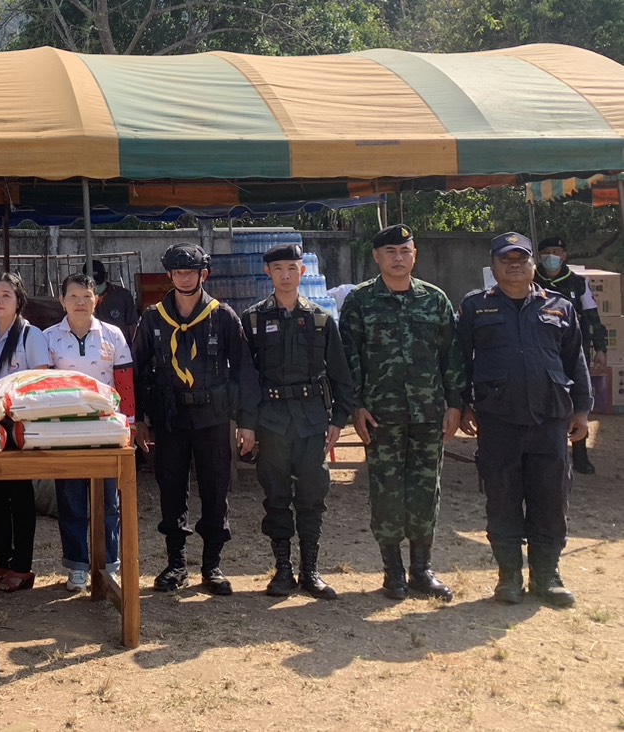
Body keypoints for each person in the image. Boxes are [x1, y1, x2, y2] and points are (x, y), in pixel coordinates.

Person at [458, 233, 593, 607]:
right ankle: (509, 577)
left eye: (522, 259)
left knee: (550, 499)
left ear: (533, 264)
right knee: (502, 499)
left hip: (550, 419)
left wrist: (582, 409)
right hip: (498, 420)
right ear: (494, 265)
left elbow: (575, 360)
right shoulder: (475, 307)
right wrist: (462, 404)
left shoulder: (560, 306)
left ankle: (546, 575)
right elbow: (459, 360)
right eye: (507, 260)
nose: (515, 265)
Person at [339, 223, 465, 602]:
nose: (398, 258)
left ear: (415, 255)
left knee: (426, 491)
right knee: (387, 492)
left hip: (429, 413)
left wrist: (455, 404)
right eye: (390, 251)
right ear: (376, 257)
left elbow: (452, 356)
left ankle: (422, 569)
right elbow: (348, 358)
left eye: (405, 251)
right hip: (381, 416)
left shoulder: (435, 300)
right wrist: (356, 406)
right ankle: (392, 571)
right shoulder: (361, 301)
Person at [130, 242, 251, 596]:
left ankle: (212, 565)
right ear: (169, 275)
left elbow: (244, 371)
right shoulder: (153, 318)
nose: (185, 278)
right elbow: (135, 370)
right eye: (179, 272)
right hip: (170, 418)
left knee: (215, 488)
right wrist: (139, 419)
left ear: (204, 275)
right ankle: (176, 564)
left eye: (192, 272)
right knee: (171, 489)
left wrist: (246, 422)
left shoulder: (223, 316)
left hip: (213, 416)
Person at [238, 243, 357, 600]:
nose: (286, 275)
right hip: (272, 421)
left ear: (303, 272)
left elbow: (341, 375)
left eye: (292, 268)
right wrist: (247, 423)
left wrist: (338, 420)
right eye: (278, 269)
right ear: (268, 273)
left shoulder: (321, 320)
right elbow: (245, 378)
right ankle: (283, 570)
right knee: (276, 496)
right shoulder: (253, 320)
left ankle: (310, 570)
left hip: (312, 421)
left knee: (312, 495)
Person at [44, 271, 133, 593]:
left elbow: (124, 381)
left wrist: (130, 423)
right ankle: (77, 566)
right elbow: (43, 386)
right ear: (62, 301)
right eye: (73, 297)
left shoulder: (113, 335)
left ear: (97, 300)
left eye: (86, 297)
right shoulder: (48, 338)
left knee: (109, 500)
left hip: (106, 428)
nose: (80, 303)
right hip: (64, 429)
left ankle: (109, 564)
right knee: (71, 499)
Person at [0, 271, 50, 593]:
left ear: (19, 301)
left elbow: (40, 381)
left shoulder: (31, 336)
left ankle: (22, 566)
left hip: (18, 424)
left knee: (20, 495)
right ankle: (1, 561)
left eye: (6, 295)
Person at [534, 235, 607, 473]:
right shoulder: (531, 280)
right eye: (546, 253)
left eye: (556, 252)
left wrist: (601, 348)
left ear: (564, 255)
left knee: (577, 400)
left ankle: (580, 455)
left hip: (574, 350)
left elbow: (593, 317)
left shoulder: (578, 283)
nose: (551, 257)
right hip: (542, 350)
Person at [90, 260, 138, 344]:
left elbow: (132, 326)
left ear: (106, 276)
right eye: (91, 284)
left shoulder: (123, 295)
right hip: (91, 346)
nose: (95, 286)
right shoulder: (80, 299)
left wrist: (134, 349)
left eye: (98, 282)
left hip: (118, 346)